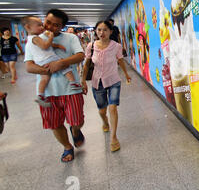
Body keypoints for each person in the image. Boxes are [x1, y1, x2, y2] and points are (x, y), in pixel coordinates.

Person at [24, 9, 86, 163]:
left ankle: (75, 130)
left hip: (71, 89)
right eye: (48, 22)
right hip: (48, 92)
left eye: (55, 25)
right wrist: (48, 69)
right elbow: (29, 67)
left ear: (62, 27)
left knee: (77, 121)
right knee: (54, 124)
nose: (49, 27)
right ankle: (67, 147)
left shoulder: (70, 38)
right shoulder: (33, 40)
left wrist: (61, 63)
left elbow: (80, 55)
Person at [81, 20, 131, 152]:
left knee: (113, 108)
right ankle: (104, 121)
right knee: (102, 110)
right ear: (96, 31)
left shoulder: (116, 46)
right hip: (97, 82)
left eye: (104, 30)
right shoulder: (91, 46)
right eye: (99, 30)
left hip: (114, 80)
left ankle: (114, 137)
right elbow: (86, 64)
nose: (101, 33)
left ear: (110, 31)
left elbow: (120, 60)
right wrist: (82, 80)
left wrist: (126, 74)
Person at [22, 16, 81, 107]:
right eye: (40, 25)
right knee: (64, 65)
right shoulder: (36, 38)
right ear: (28, 27)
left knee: (44, 79)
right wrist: (51, 38)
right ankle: (73, 82)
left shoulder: (32, 39)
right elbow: (45, 46)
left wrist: (56, 45)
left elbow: (81, 56)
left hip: (41, 62)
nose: (43, 27)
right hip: (49, 58)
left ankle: (40, 95)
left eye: (56, 25)